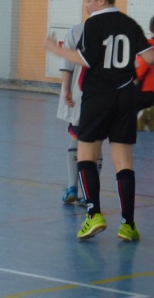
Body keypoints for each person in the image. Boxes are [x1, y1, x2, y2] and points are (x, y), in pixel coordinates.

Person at [44, 0, 154, 242]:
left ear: (101, 0)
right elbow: (152, 58)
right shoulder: (129, 23)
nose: (86, 5)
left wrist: (56, 49)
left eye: (88, 0)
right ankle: (128, 224)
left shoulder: (92, 24)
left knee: (85, 155)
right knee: (124, 162)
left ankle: (94, 215)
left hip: (98, 97)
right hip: (125, 98)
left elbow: (85, 59)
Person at [57, 23, 103, 205]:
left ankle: (72, 187)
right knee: (96, 144)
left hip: (79, 94)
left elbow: (66, 63)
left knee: (76, 139)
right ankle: (88, 194)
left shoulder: (76, 31)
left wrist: (66, 89)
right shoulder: (116, 31)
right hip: (102, 98)